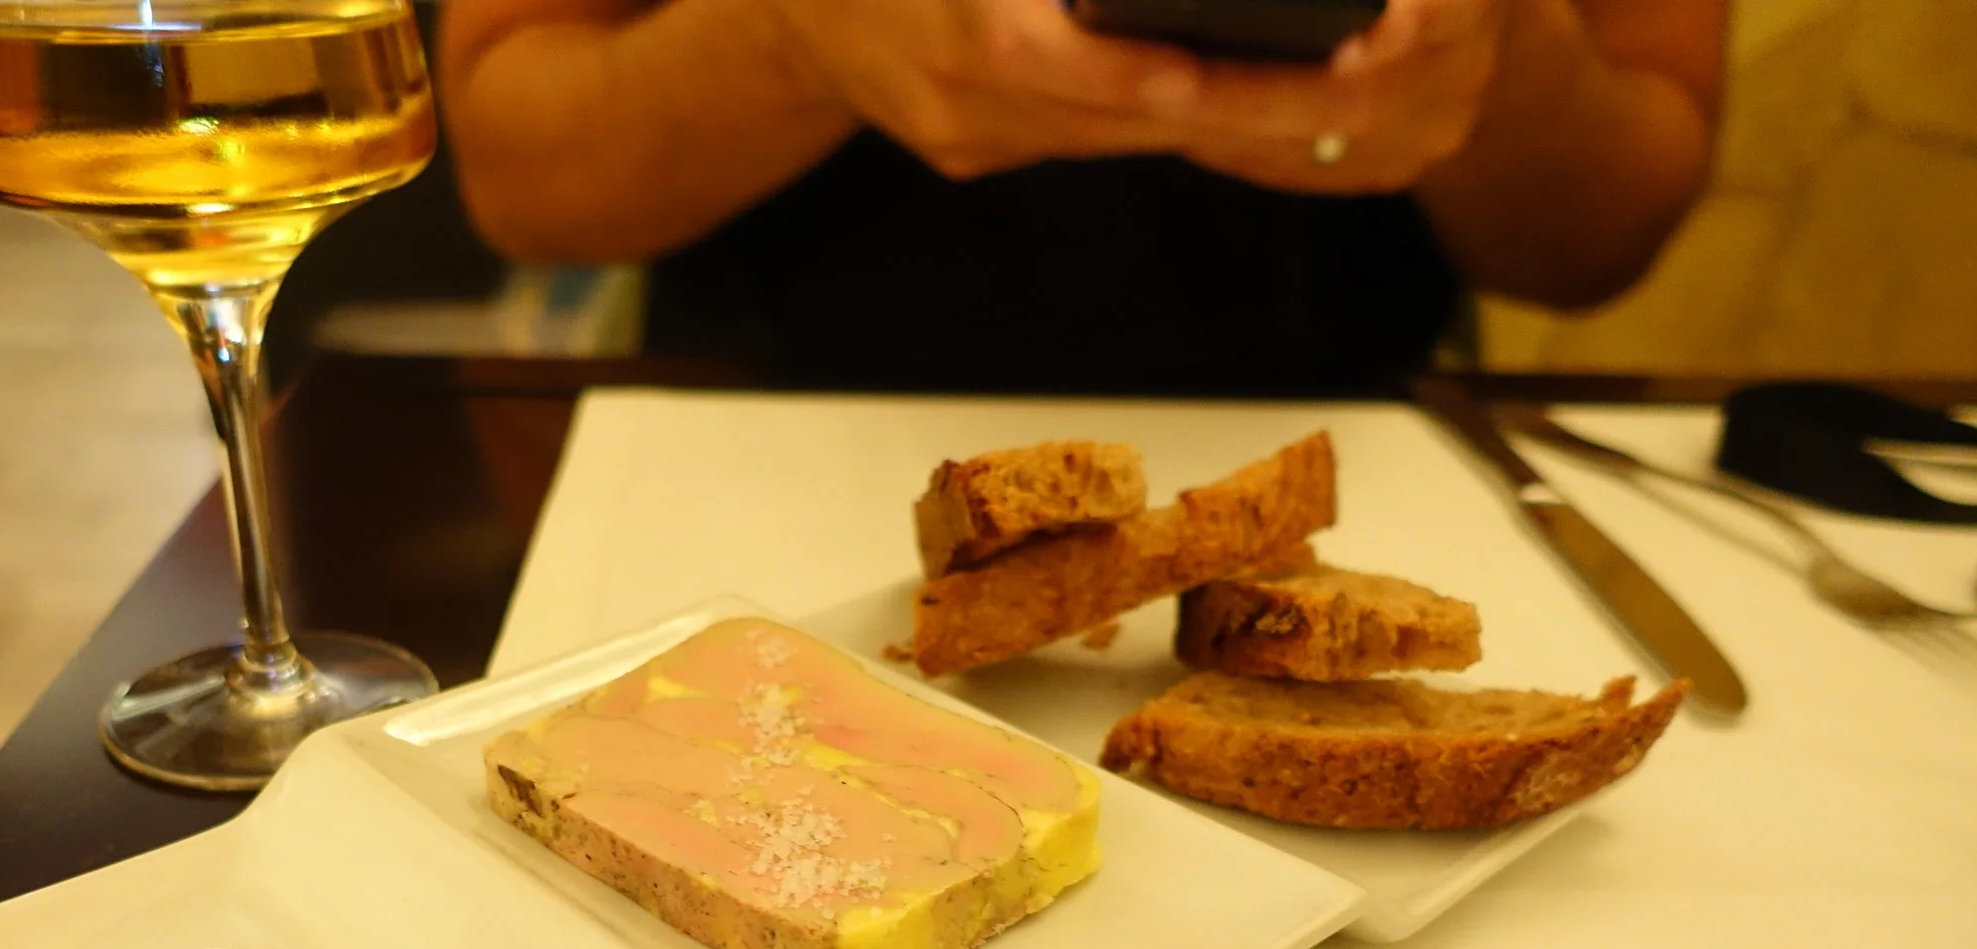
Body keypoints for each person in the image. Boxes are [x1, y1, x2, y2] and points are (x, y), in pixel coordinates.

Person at [435, 0, 1728, 391]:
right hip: (754, 447)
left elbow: (1610, 225)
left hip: (1361, 463)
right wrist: (795, 36)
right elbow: (518, 167)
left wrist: (1495, 63)